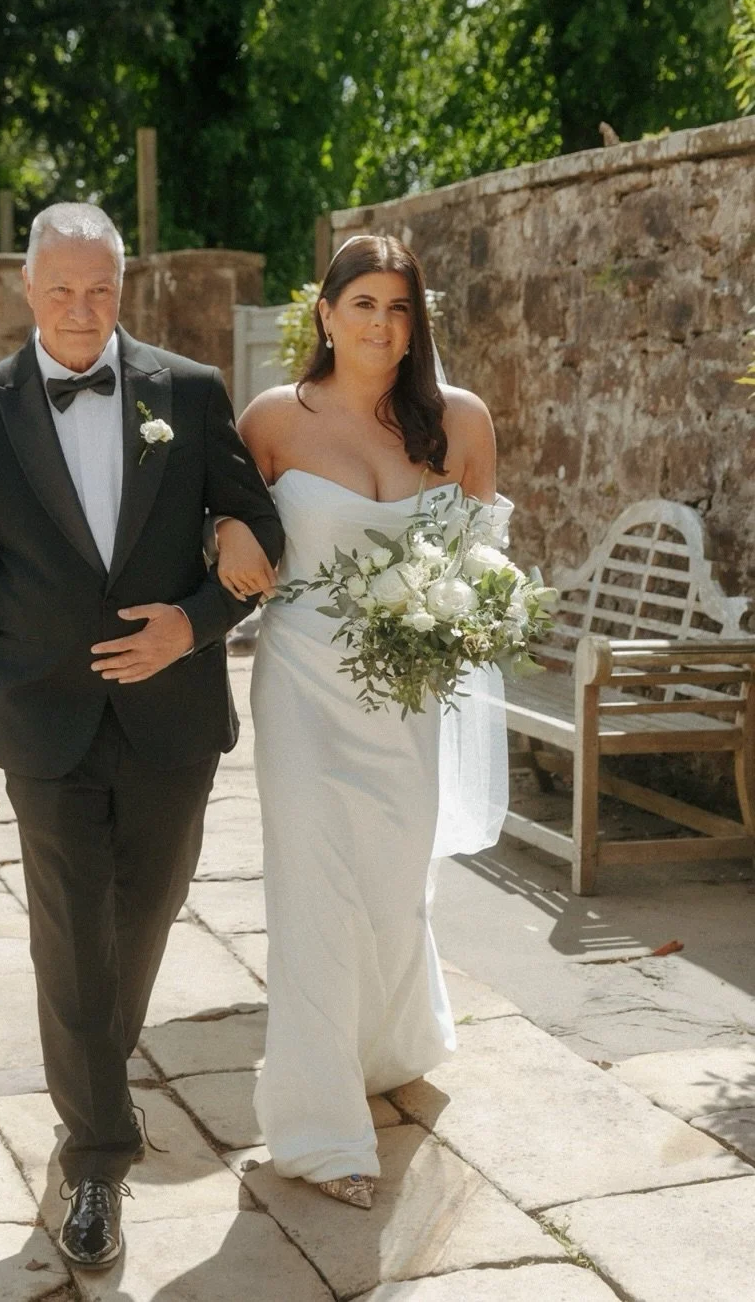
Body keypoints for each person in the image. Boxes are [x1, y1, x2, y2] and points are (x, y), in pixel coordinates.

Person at [0, 203, 283, 1266]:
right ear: (26, 290)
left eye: (102, 291)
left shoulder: (192, 390)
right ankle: (98, 1158)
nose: (82, 310)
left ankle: (90, 1066)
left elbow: (261, 535)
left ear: (126, 291)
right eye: (62, 290)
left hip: (174, 717)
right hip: (44, 719)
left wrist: (197, 622)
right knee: (72, 934)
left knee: (153, 906)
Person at [214, 234, 510, 1209]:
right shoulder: (272, 420)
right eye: (365, 304)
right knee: (312, 889)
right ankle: (319, 1129)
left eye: (400, 307)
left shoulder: (459, 423)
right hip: (301, 684)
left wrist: (475, 613)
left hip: (408, 695)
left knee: (391, 887)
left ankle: (389, 1048)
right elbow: (213, 520)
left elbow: (480, 560)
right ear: (325, 315)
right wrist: (221, 533)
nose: (383, 324)